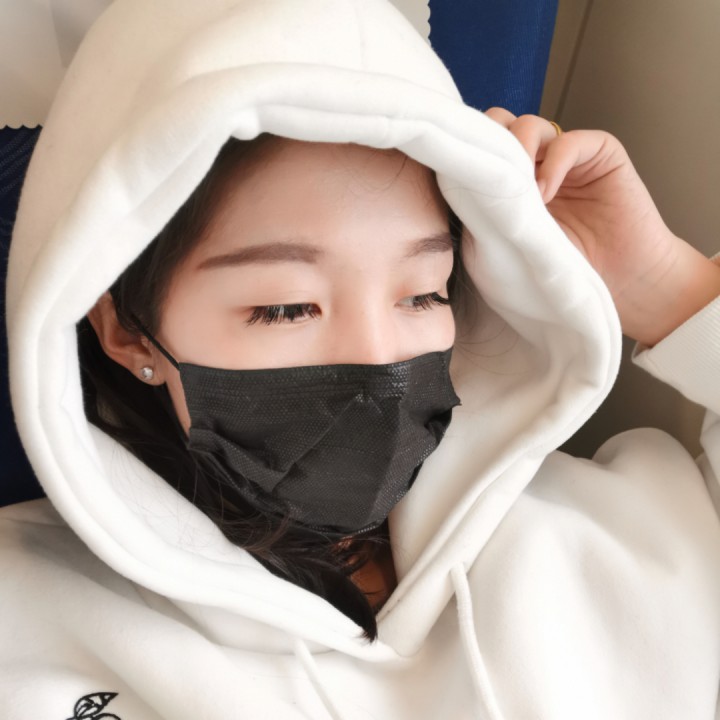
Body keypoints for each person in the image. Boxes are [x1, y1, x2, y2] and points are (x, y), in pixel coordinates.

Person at [2, 0, 720, 718]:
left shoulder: (629, 535)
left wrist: (666, 286)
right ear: (129, 332)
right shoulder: (24, 621)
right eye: (287, 307)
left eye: (422, 293)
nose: (380, 358)